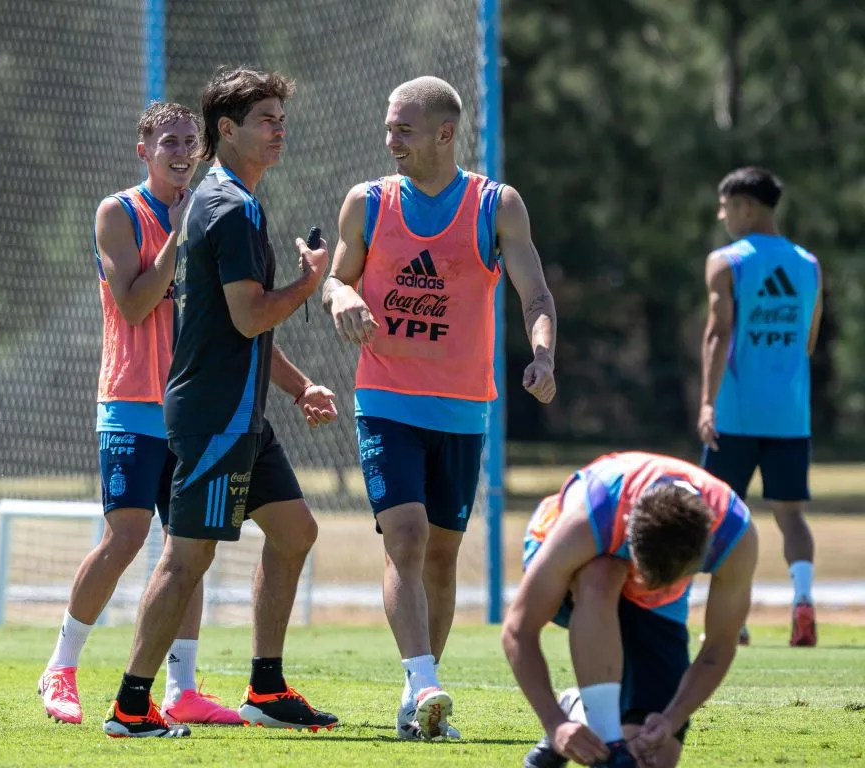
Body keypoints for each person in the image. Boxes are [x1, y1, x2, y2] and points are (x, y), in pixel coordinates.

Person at [103, 67, 340, 739]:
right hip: (215, 416)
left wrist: (296, 388)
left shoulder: (229, 197)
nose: (279, 129)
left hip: (241, 413)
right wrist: (308, 282)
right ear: (226, 130)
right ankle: (130, 706)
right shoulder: (229, 206)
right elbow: (248, 316)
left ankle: (265, 688)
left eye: (280, 118)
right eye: (265, 118)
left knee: (296, 533)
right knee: (187, 559)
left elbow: (232, 325)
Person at [322, 76, 557, 741]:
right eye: (389, 126)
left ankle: (414, 699)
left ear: (444, 134)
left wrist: (541, 355)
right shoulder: (366, 203)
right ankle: (425, 679)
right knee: (406, 538)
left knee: (444, 558)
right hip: (386, 398)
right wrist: (342, 298)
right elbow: (338, 278)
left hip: (461, 409)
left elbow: (535, 296)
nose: (389, 139)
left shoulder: (495, 205)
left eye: (403, 128)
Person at [37, 101, 238, 729]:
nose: (182, 152)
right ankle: (61, 668)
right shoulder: (117, 213)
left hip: (192, 408)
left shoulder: (213, 211)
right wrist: (179, 234)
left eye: (190, 143)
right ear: (144, 151)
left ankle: (182, 689)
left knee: (190, 548)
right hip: (129, 402)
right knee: (124, 536)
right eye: (169, 141)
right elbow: (133, 305)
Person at [502, 451, 758, 768]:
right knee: (603, 573)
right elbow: (518, 629)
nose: (649, 585)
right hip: (573, 571)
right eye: (646, 575)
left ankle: (582, 709)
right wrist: (553, 724)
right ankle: (608, 736)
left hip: (658, 608)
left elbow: (719, 645)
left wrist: (671, 719)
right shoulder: (592, 516)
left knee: (653, 757)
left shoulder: (734, 534)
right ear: (629, 535)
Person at [698, 166, 821, 647]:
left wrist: (708, 403)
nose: (721, 215)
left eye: (725, 206)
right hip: (791, 414)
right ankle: (804, 600)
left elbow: (717, 333)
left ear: (746, 207)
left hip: (737, 412)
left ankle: (735, 618)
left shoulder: (726, 262)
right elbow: (808, 342)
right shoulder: (808, 263)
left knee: (723, 513)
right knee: (791, 515)